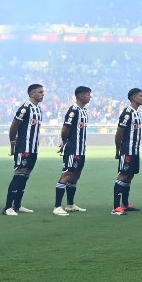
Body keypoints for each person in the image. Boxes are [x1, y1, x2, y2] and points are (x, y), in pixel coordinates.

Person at [3, 83, 44, 216]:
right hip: (23, 148)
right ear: (32, 94)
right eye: (40, 92)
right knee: (19, 174)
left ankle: (17, 205)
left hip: (33, 149)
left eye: (43, 92)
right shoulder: (25, 108)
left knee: (25, 176)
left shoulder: (38, 109)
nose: (43, 94)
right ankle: (8, 207)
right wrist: (12, 143)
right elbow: (14, 126)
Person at [54, 86, 91, 216]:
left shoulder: (84, 111)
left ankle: (70, 204)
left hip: (81, 150)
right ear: (80, 96)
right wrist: (64, 142)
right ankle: (57, 206)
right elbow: (65, 129)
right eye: (88, 94)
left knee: (75, 176)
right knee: (67, 175)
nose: (90, 97)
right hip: (72, 149)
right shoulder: (73, 111)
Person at [112, 88, 142, 215]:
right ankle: (116, 207)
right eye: (141, 96)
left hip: (135, 150)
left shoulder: (137, 113)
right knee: (123, 175)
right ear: (134, 98)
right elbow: (119, 132)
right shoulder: (127, 113)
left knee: (130, 175)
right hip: (127, 150)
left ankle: (125, 204)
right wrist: (118, 149)